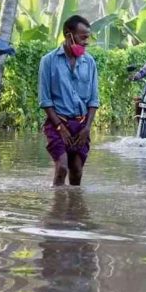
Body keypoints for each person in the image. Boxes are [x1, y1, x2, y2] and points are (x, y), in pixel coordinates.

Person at [38, 15, 99, 186]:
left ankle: (73, 208)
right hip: (58, 123)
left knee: (77, 170)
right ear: (68, 34)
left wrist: (87, 128)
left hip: (81, 125)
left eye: (88, 37)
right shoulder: (48, 61)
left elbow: (93, 100)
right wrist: (60, 127)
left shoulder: (89, 63)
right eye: (83, 37)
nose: (86, 42)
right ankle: (57, 210)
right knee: (62, 168)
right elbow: (45, 100)